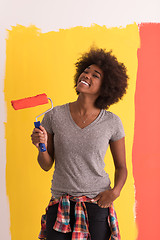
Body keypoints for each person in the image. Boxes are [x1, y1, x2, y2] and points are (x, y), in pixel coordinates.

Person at [31, 47, 128, 240]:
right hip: (60, 204)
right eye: (85, 71)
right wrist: (41, 146)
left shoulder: (112, 122)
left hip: (96, 205)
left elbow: (121, 167)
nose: (87, 75)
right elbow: (46, 165)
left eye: (95, 75)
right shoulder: (53, 116)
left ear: (105, 87)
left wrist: (114, 192)